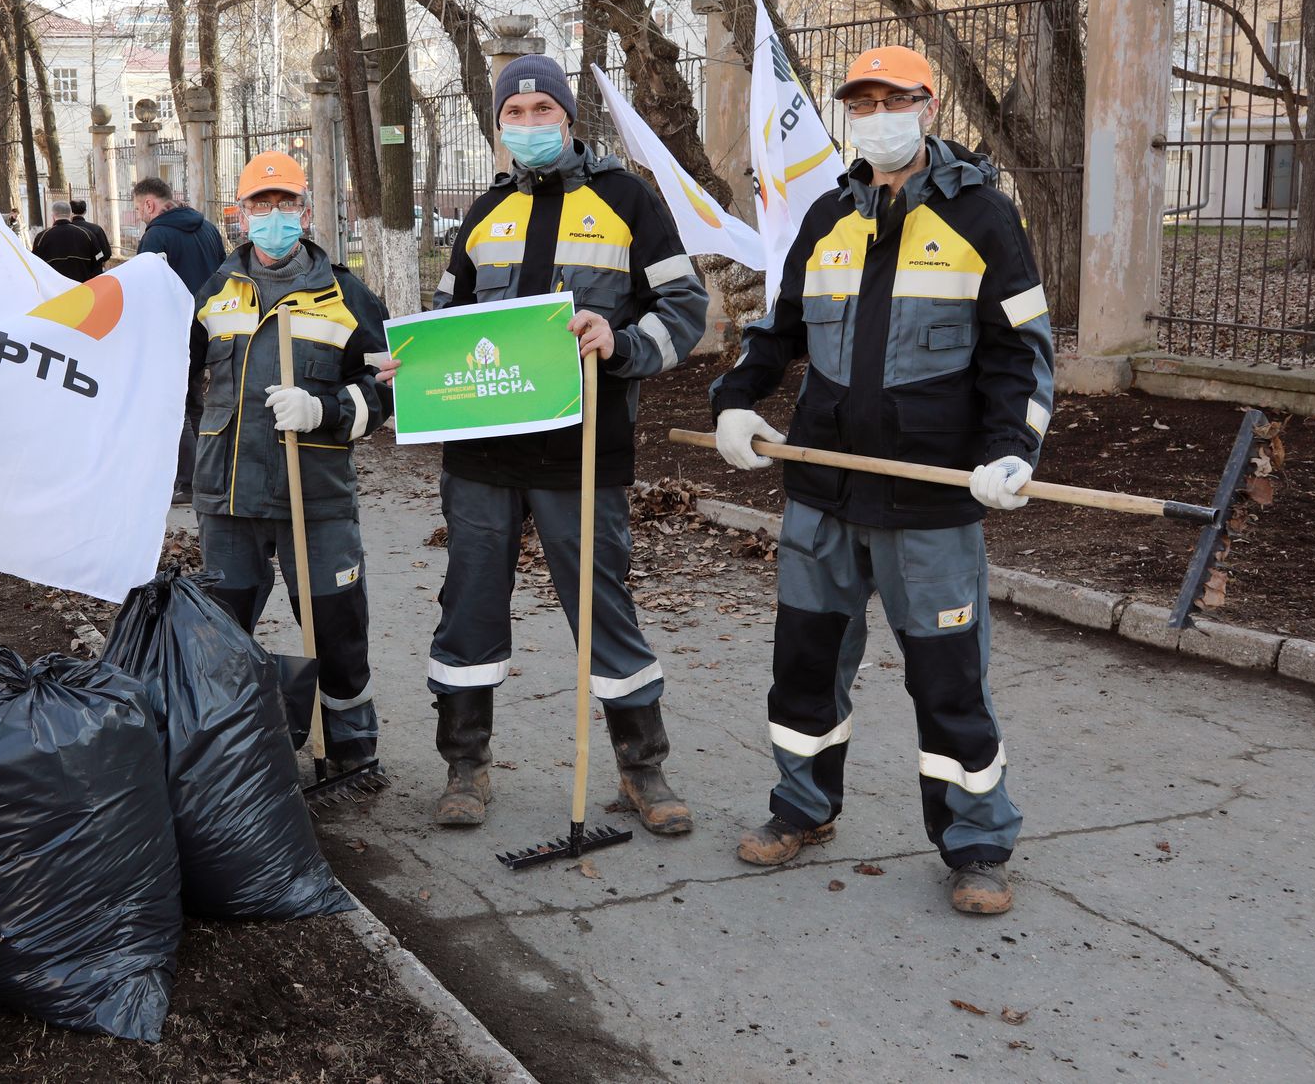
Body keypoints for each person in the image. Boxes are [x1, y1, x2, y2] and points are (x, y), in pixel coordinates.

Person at [709, 45, 1053, 916]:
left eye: (893, 99)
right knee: (805, 667)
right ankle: (803, 807)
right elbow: (775, 330)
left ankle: (976, 842)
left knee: (947, 679)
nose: (877, 115)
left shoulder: (985, 218)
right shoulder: (827, 213)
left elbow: (1022, 353)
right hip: (821, 493)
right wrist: (738, 401)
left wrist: (1015, 446)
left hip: (933, 501)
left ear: (929, 107)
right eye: (860, 102)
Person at [382, 53, 709, 834]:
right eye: (514, 117)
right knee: (468, 606)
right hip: (482, 456)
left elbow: (685, 307)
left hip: (583, 446)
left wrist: (620, 340)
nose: (530, 127)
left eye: (544, 114)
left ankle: (643, 769)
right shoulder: (483, 214)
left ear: (570, 119)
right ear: (498, 128)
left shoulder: (629, 201)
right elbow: (446, 320)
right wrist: (411, 363)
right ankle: (466, 766)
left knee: (603, 607)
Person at [192, 152, 390, 767]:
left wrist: (324, 410)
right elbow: (151, 362)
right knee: (223, 634)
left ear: (303, 211)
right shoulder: (213, 291)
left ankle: (350, 747)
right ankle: (226, 754)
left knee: (336, 626)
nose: (273, 217)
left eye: (284, 204)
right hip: (229, 497)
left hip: (317, 491)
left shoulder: (346, 294)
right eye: (260, 205)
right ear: (240, 213)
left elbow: (387, 387)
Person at [135, 176, 227, 503]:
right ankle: (209, 475)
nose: (137, 216)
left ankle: (189, 483)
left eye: (137, 208)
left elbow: (149, 290)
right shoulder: (208, 228)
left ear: (150, 204)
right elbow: (224, 273)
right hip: (212, 325)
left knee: (179, 406)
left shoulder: (156, 236)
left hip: (176, 329)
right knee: (198, 402)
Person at [32, 199, 102, 281]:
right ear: (70, 215)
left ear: (53, 216)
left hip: (55, 289)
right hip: (82, 286)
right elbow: (99, 257)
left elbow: (35, 263)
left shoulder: (41, 237)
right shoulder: (87, 234)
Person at [69, 197, 112, 271]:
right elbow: (106, 254)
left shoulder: (65, 230)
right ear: (85, 211)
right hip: (93, 273)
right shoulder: (96, 229)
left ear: (70, 212)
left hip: (70, 274)